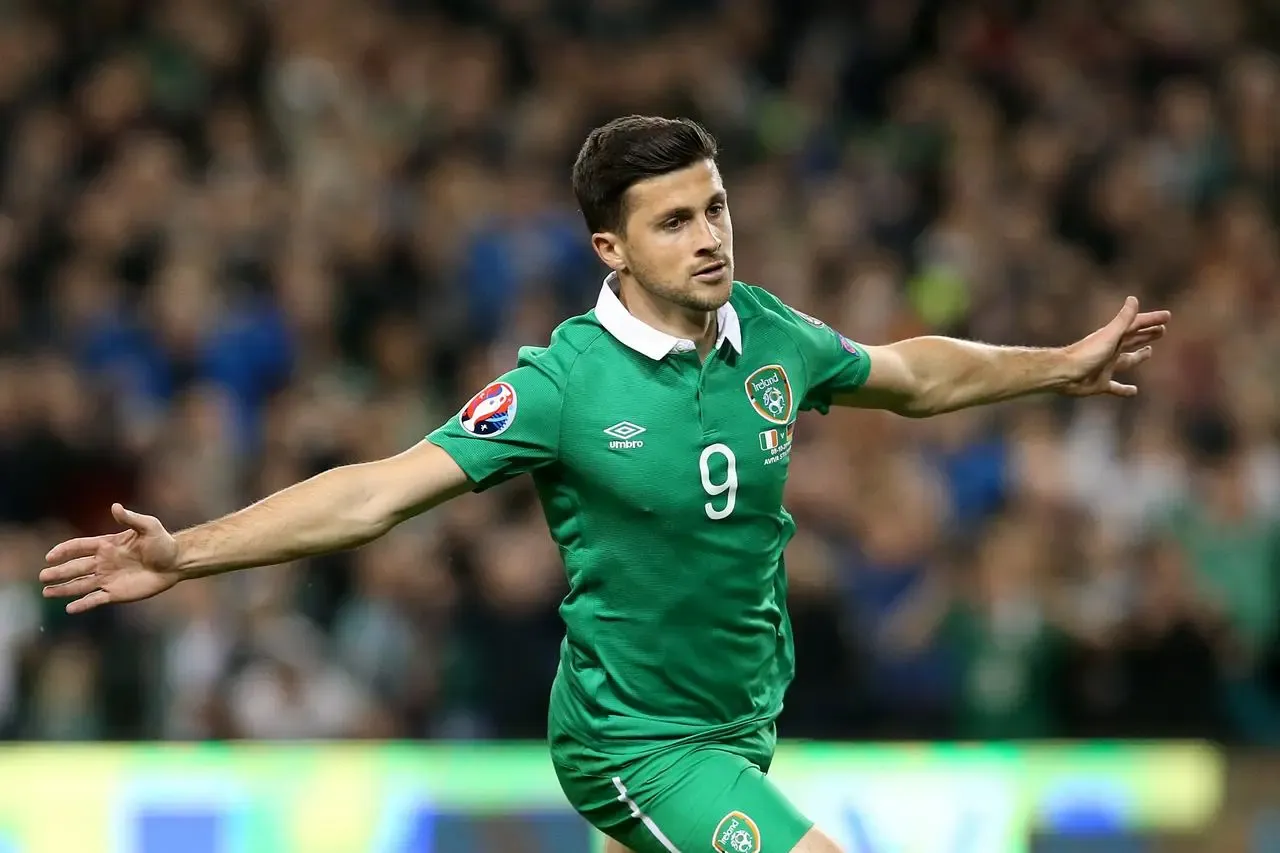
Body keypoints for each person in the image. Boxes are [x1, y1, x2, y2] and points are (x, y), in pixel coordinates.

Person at [41, 116, 1169, 853]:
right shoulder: (562, 387)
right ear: (609, 250)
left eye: (714, 206)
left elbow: (910, 375)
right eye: (673, 221)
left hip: (741, 720)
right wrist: (187, 550)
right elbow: (376, 492)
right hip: (633, 741)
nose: (709, 237)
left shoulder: (767, 330)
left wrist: (1054, 366)